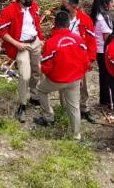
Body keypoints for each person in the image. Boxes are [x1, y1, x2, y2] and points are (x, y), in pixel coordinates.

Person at [34, 11, 90, 139]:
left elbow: (47, 67)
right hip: (75, 79)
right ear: (68, 23)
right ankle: (76, 135)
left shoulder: (51, 42)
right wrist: (80, 76)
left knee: (40, 89)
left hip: (57, 80)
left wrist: (41, 68)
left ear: (55, 24)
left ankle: (48, 117)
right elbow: (86, 62)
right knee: (74, 106)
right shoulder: (79, 40)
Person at [0, 0, 45, 122]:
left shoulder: (34, 6)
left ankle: (34, 95)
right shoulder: (10, 11)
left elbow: (37, 23)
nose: (31, 0)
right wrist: (16, 44)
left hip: (34, 42)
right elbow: (0, 31)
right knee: (24, 75)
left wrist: (40, 38)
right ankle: (22, 104)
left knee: (37, 71)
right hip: (21, 44)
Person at [61, 0, 99, 124]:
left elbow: (91, 40)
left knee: (82, 84)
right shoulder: (61, 18)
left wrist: (91, 58)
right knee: (64, 82)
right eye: (64, 3)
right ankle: (65, 107)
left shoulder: (85, 20)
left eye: (66, 4)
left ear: (75, 6)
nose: (64, 6)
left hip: (79, 57)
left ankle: (85, 108)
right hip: (65, 56)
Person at [91, 0, 114, 108]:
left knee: (103, 75)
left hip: (99, 50)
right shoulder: (103, 18)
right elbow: (107, 38)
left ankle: (104, 100)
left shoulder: (99, 15)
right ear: (106, 3)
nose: (113, 4)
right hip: (104, 51)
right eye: (111, 2)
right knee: (107, 76)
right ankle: (108, 101)